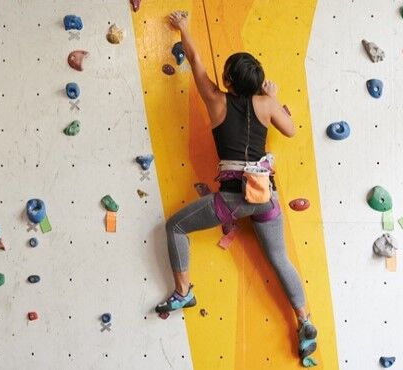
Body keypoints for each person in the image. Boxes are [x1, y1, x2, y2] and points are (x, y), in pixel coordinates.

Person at [155, 11, 318, 365]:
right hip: (267, 197)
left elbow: (196, 61)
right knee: (278, 258)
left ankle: (184, 292)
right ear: (257, 82)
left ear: (228, 79)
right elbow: (289, 130)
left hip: (233, 199)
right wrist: (270, 96)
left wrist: (184, 27)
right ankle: (304, 319)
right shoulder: (266, 102)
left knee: (175, 226)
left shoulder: (216, 100)